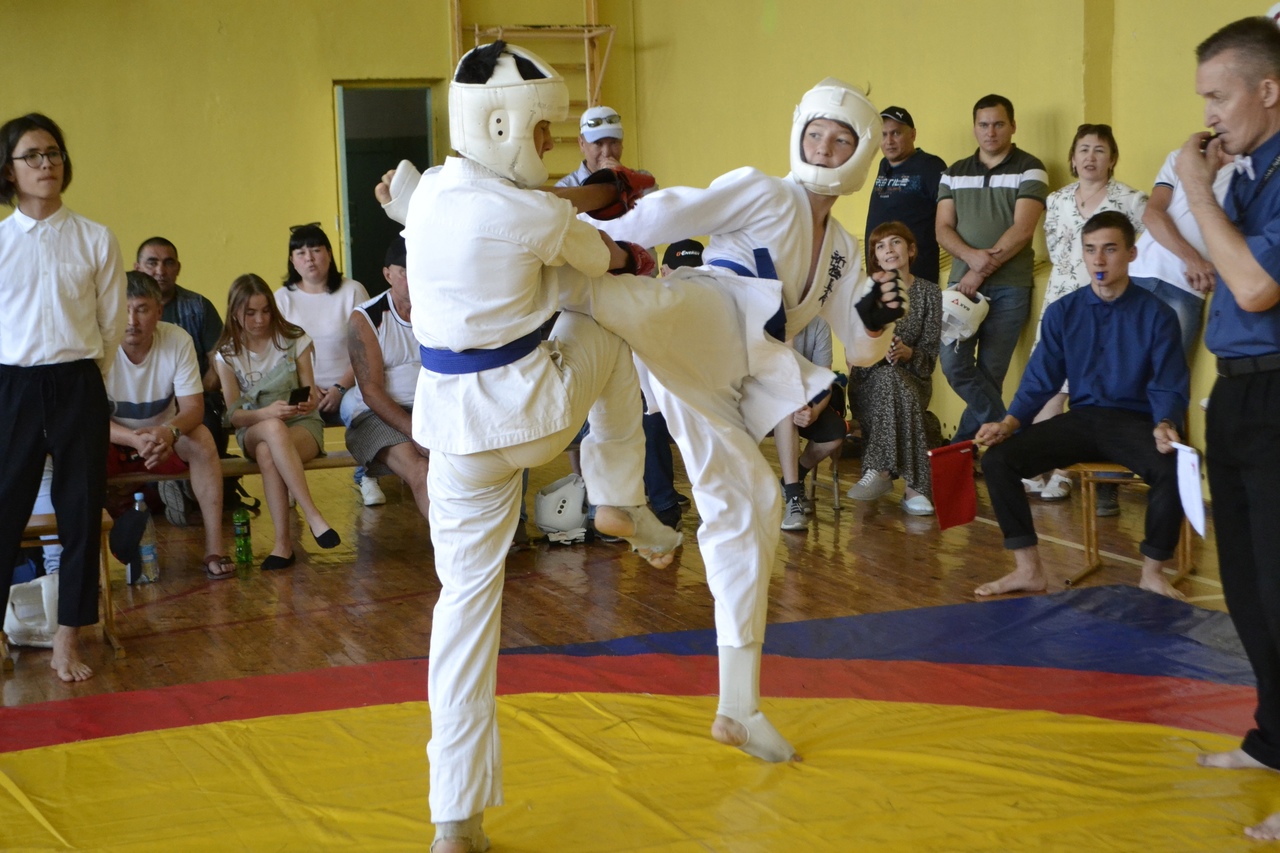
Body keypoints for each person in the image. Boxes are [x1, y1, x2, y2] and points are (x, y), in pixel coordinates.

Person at [375, 42, 681, 853]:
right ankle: (618, 494)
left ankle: (455, 821)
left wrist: (404, 197)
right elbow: (604, 255)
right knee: (603, 323)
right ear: (504, 125)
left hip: (452, 436)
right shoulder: (532, 216)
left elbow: (446, 202)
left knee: (462, 616)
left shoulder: (431, 196)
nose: (549, 147)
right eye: (544, 132)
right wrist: (635, 252)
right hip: (531, 413)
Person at [572, 77, 901, 760]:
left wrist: (875, 316)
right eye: (816, 133)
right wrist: (591, 235)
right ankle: (503, 244)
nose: (825, 147)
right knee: (613, 299)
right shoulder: (765, 191)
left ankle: (739, 705)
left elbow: (863, 348)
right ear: (798, 134)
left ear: (862, 153)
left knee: (752, 506)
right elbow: (670, 213)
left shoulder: (843, 249)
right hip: (707, 312)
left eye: (840, 139)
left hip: (728, 380)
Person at [1174, 17, 1280, 842]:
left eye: (1219, 95)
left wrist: (1198, 189)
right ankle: (1273, 738)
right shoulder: (1248, 174)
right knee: (1246, 588)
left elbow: (1252, 287)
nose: (1208, 114)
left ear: (1268, 89)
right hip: (1239, 393)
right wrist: (1205, 189)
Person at [973, 211, 1188, 600]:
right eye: (1090, 250)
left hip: (1135, 422)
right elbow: (1040, 378)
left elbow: (1167, 382)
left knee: (1173, 466)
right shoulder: (1063, 312)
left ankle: (1153, 574)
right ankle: (1028, 570)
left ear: (1131, 254)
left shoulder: (1158, 314)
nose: (1099, 260)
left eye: (1110, 249)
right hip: (1082, 419)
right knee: (998, 461)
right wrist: (1009, 423)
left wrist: (1165, 423)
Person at [0, 112, 126, 681]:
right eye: (32, 155)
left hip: (78, 382)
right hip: (12, 386)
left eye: (53, 153)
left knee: (80, 512)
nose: (46, 163)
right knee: (5, 511)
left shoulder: (95, 238)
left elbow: (110, 325)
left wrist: (82, 378)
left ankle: (68, 638)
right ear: (10, 170)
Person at [1024, 124, 1148, 506]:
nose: (1090, 157)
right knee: (1049, 384)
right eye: (1083, 150)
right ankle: (1037, 464)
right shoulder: (1057, 199)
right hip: (1062, 300)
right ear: (1073, 158)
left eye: (1099, 150)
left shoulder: (1131, 200)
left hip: (1107, 307)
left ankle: (1065, 472)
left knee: (1083, 389)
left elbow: (1141, 254)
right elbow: (1055, 251)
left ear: (1112, 158)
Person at [937, 95, 1049, 444]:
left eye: (999, 124)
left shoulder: (1031, 167)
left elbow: (1023, 230)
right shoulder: (953, 173)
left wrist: (979, 270)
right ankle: (1013, 435)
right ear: (974, 128)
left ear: (1012, 126)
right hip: (961, 286)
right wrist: (971, 260)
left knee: (991, 373)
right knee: (953, 364)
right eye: (983, 124)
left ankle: (962, 449)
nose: (991, 132)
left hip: (1011, 287)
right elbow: (942, 228)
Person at [106, 272, 230, 579]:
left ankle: (214, 548)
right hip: (114, 440)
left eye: (142, 309)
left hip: (164, 439)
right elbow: (89, 419)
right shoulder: (98, 343)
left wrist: (169, 432)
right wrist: (134, 439)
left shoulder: (177, 339)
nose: (132, 320)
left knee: (202, 439)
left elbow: (193, 408)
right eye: (124, 309)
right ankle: (91, 568)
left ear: (159, 311)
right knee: (78, 448)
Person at [214, 274, 340, 571]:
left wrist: (308, 402)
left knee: (269, 452)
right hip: (253, 428)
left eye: (265, 311)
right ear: (235, 313)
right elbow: (234, 416)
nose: (260, 320)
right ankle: (313, 515)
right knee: (271, 429)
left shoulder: (294, 339)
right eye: (251, 313)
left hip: (301, 425)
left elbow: (309, 391)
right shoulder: (227, 353)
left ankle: (283, 545)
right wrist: (266, 413)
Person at [134, 237, 236, 523]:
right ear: (138, 267)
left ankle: (188, 492)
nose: (160, 270)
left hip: (196, 398)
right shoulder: (121, 313)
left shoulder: (198, 306)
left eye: (168, 263)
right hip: (144, 403)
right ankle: (162, 490)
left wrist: (190, 394)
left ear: (178, 268)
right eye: (152, 263)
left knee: (205, 426)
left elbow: (219, 361)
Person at [274, 223, 377, 501]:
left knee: (364, 408)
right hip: (300, 389)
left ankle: (367, 476)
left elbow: (367, 349)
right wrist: (309, 388)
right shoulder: (282, 299)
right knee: (278, 420)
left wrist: (339, 387)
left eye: (316, 250)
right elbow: (279, 356)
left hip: (348, 386)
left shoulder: (352, 291)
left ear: (329, 254)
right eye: (300, 253)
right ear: (292, 260)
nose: (309, 258)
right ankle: (289, 484)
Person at [846, 221, 943, 515]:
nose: (888, 249)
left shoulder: (930, 293)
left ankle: (879, 470)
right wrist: (876, 349)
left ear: (911, 250)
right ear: (875, 257)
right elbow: (852, 354)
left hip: (914, 377)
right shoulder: (864, 292)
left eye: (895, 242)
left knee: (896, 382)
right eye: (880, 246)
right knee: (888, 378)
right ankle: (916, 489)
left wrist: (907, 352)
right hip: (868, 380)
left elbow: (930, 357)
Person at [344, 237, 430, 519]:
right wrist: (416, 431)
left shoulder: (439, 310)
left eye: (417, 268)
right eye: (403, 271)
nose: (411, 278)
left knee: (473, 466)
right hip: (375, 416)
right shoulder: (366, 318)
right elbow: (371, 392)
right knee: (422, 470)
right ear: (387, 274)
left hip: (431, 409)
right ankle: (453, 547)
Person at [1129, 144, 1234, 356]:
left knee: (1165, 373)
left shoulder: (1252, 173)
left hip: (1187, 288)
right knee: (1111, 366)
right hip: (1139, 273)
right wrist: (1193, 259)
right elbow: (1152, 215)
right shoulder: (1183, 157)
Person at [864, 106, 948, 284]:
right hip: (880, 276)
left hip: (915, 276)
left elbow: (950, 214)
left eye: (896, 133)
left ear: (913, 134)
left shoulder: (930, 166)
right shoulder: (884, 165)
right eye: (883, 135)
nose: (889, 141)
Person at [781, 314, 847, 528]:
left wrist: (815, 411)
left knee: (835, 433)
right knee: (786, 410)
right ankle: (792, 496)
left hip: (805, 399)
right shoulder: (762, 318)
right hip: (766, 400)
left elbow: (824, 382)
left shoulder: (818, 324)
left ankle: (794, 478)